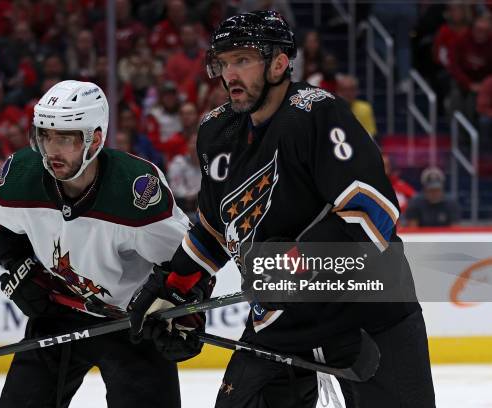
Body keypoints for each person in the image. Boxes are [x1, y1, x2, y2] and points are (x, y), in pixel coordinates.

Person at [129, 11, 435, 408]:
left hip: (368, 314)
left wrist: (291, 265)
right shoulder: (215, 132)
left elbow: (370, 214)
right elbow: (216, 230)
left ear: (279, 62)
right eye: (223, 62)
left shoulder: (318, 114)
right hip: (279, 323)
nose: (230, 74)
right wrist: (177, 288)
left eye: (243, 60)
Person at [0, 80, 209, 407]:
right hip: (58, 312)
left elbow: (188, 258)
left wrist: (186, 312)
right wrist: (19, 265)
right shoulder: (22, 176)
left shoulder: (135, 192)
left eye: (65, 138)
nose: (51, 151)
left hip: (133, 323)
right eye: (45, 136)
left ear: (96, 139)